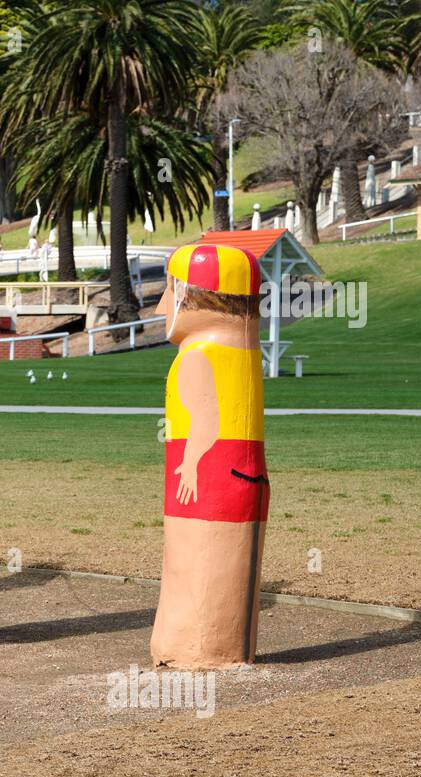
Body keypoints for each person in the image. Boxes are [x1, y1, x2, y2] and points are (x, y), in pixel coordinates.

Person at [150, 242, 268, 668]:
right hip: (240, 476)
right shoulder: (238, 352)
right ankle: (216, 645)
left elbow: (207, 421)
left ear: (194, 299)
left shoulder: (198, 356)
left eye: (172, 291)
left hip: (210, 478)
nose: (164, 303)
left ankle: (199, 648)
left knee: (194, 567)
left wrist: (192, 464)